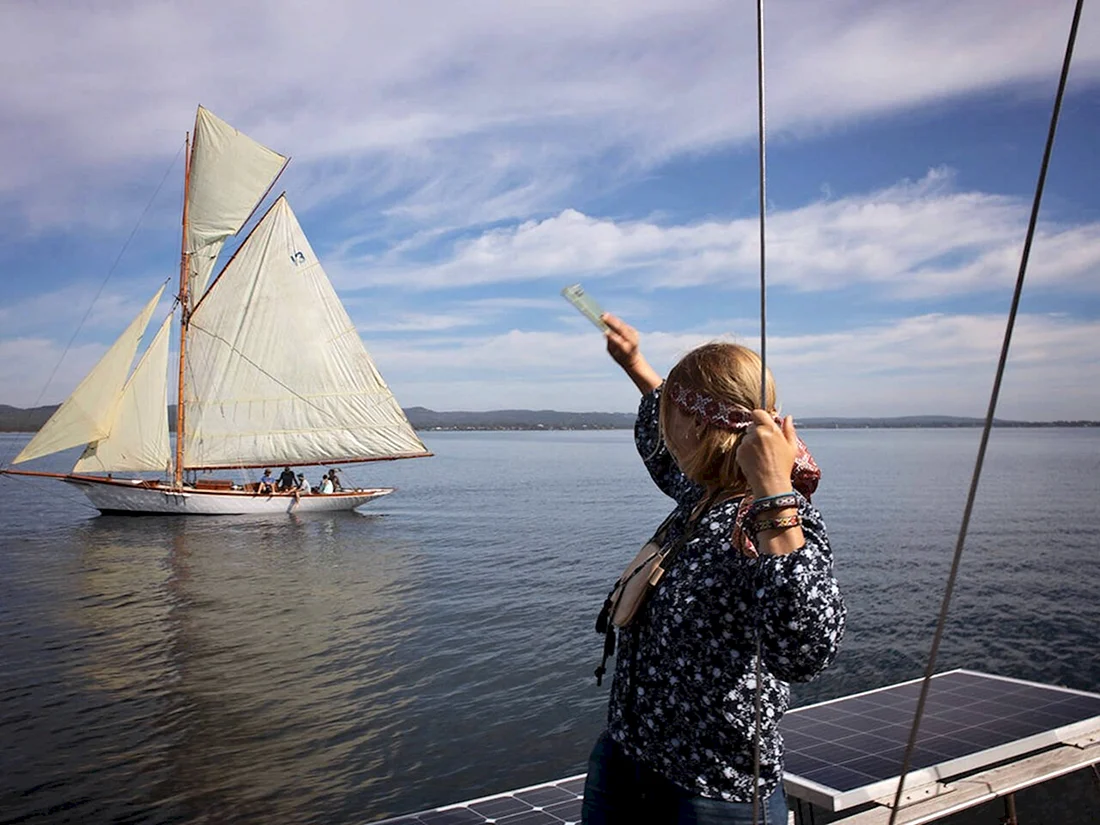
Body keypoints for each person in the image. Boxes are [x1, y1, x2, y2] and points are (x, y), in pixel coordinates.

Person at [582, 314, 846, 824]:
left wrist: (774, 490)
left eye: (671, 412)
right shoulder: (702, 498)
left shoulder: (769, 519)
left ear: (700, 424)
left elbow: (806, 650)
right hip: (630, 758)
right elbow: (662, 453)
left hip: (710, 793)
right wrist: (636, 364)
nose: (662, 424)